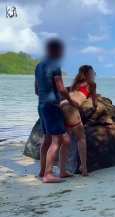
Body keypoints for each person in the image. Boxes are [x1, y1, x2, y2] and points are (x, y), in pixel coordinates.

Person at [35, 39, 79, 183]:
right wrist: (71, 100)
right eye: (60, 51)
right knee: (57, 140)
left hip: (41, 106)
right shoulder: (55, 66)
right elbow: (60, 88)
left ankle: (47, 171)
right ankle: (48, 174)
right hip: (52, 106)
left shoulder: (39, 66)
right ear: (54, 51)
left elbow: (36, 90)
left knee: (52, 139)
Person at [60, 65, 97, 176]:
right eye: (92, 72)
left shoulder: (75, 84)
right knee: (81, 138)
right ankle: (84, 169)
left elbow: (75, 95)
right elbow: (94, 103)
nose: (94, 74)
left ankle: (62, 170)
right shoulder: (92, 84)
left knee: (65, 141)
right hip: (71, 109)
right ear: (88, 74)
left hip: (61, 106)